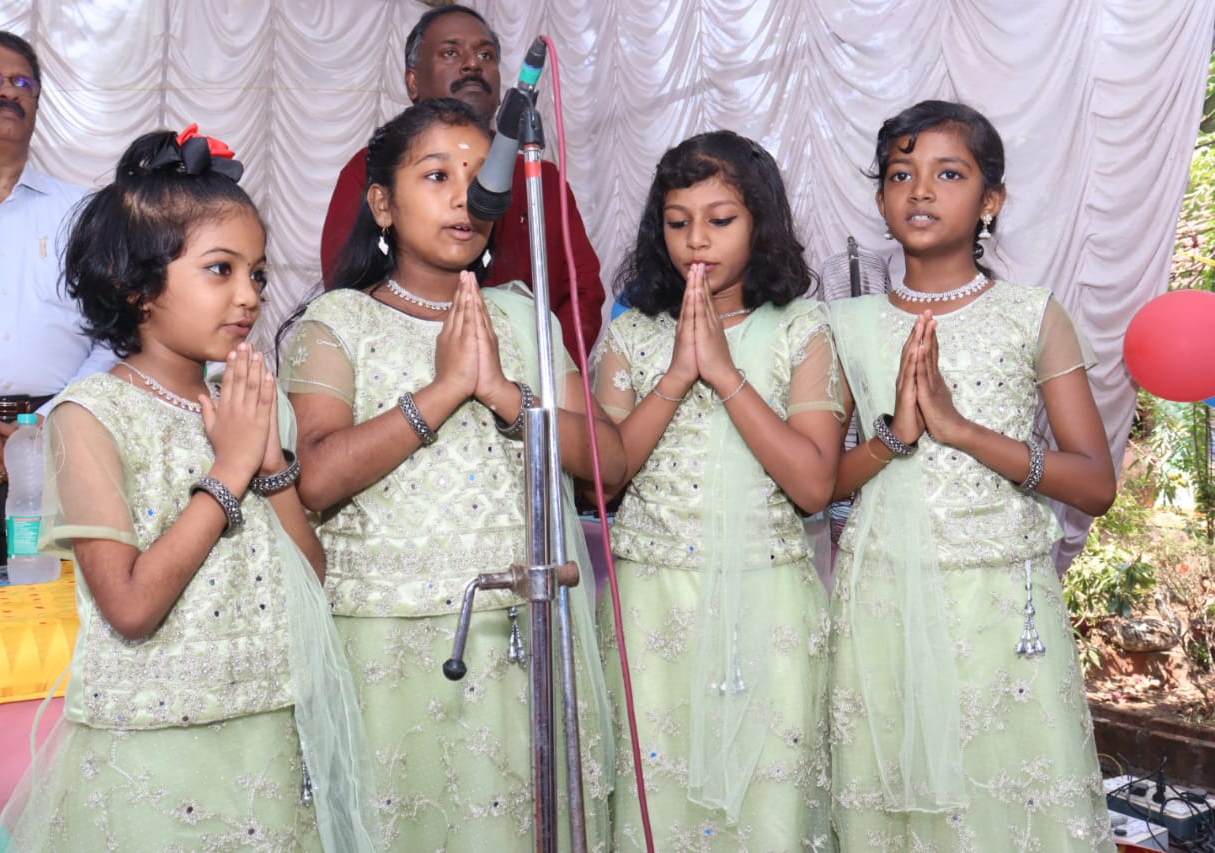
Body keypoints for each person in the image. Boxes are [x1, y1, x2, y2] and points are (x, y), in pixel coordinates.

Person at [0, 128, 377, 852]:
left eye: (258, 274)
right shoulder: (89, 415)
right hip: (154, 751)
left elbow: (310, 577)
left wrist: (270, 465)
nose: (249, 296)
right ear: (134, 284)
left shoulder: (249, 402)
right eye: (220, 270)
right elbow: (131, 607)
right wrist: (229, 472)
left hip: (269, 728)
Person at [281, 98, 625, 850]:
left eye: (479, 179)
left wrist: (502, 391)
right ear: (383, 204)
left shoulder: (526, 317)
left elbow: (610, 459)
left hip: (520, 633)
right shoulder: (338, 322)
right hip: (383, 645)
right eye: (437, 175)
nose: (465, 197)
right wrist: (442, 393)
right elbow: (316, 477)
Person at [827, 100, 1116, 851]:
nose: (921, 190)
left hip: (1000, 602)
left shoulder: (1032, 314)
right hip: (881, 595)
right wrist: (896, 435)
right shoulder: (845, 325)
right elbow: (821, 484)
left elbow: (1095, 484)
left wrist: (962, 431)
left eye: (949, 174)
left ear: (992, 200)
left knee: (1004, 801)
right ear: (881, 199)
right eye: (901, 175)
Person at [590, 131, 844, 850]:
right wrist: (678, 374)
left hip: (766, 600)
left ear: (761, 223)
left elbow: (813, 484)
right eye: (677, 222)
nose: (696, 240)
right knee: (657, 798)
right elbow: (603, 477)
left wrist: (726, 374)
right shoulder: (633, 334)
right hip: (651, 603)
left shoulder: (801, 328)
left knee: (764, 803)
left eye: (720, 219)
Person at [319, 4, 606, 360]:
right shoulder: (373, 168)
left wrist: (544, 370)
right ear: (413, 82)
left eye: (485, 55)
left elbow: (582, 293)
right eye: (451, 53)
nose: (473, 64)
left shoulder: (539, 177)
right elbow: (346, 277)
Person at [0, 29, 113, 571]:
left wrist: (54, 421)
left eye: (23, 83)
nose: (8, 91)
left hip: (63, 450)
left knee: (59, 608)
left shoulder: (84, 214)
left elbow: (118, 334)